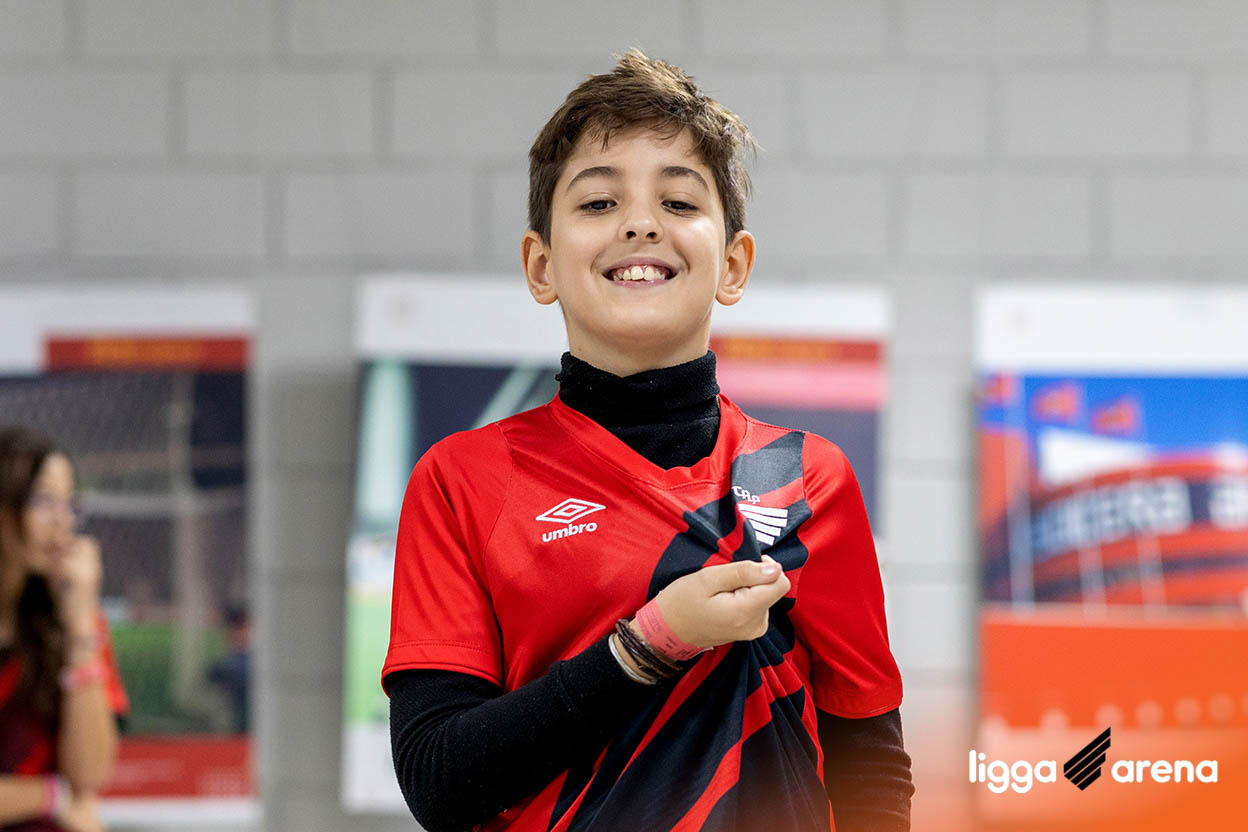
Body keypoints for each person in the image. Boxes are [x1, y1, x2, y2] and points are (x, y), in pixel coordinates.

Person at [385, 51, 913, 832]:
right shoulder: (462, 479)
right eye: (599, 202)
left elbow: (870, 763)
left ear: (733, 264)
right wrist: (653, 644)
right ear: (541, 265)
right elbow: (439, 781)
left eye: (678, 200)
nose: (640, 222)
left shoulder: (807, 477)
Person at [0, 428, 128, 832]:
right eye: (42, 501)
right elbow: (73, 796)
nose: (62, 521)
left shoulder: (70, 619)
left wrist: (80, 625)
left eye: (70, 504)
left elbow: (89, 775)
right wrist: (51, 796)